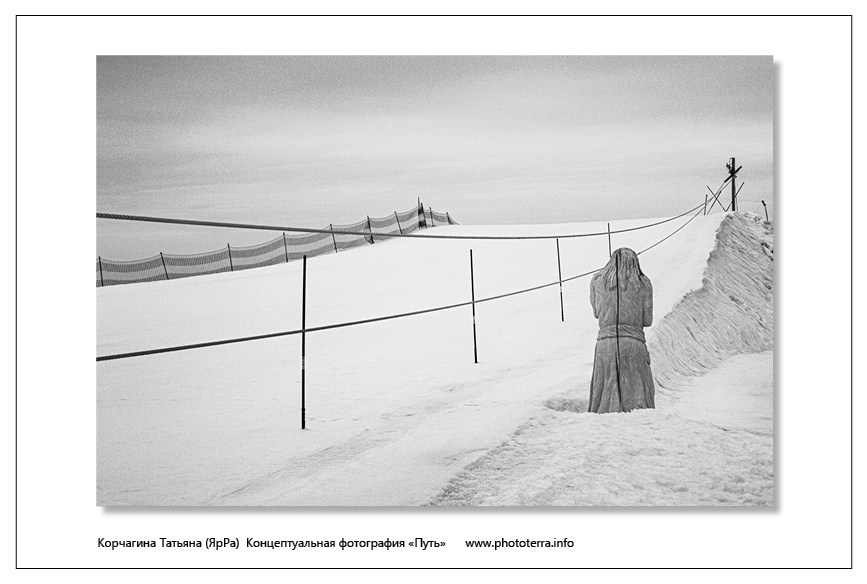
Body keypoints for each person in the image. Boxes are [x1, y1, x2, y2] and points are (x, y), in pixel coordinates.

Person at [588, 247, 655, 413]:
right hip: (634, 344)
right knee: (638, 402)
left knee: (604, 400)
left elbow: (596, 313)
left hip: (605, 345)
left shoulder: (597, 281)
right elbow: (647, 320)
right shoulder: (644, 283)